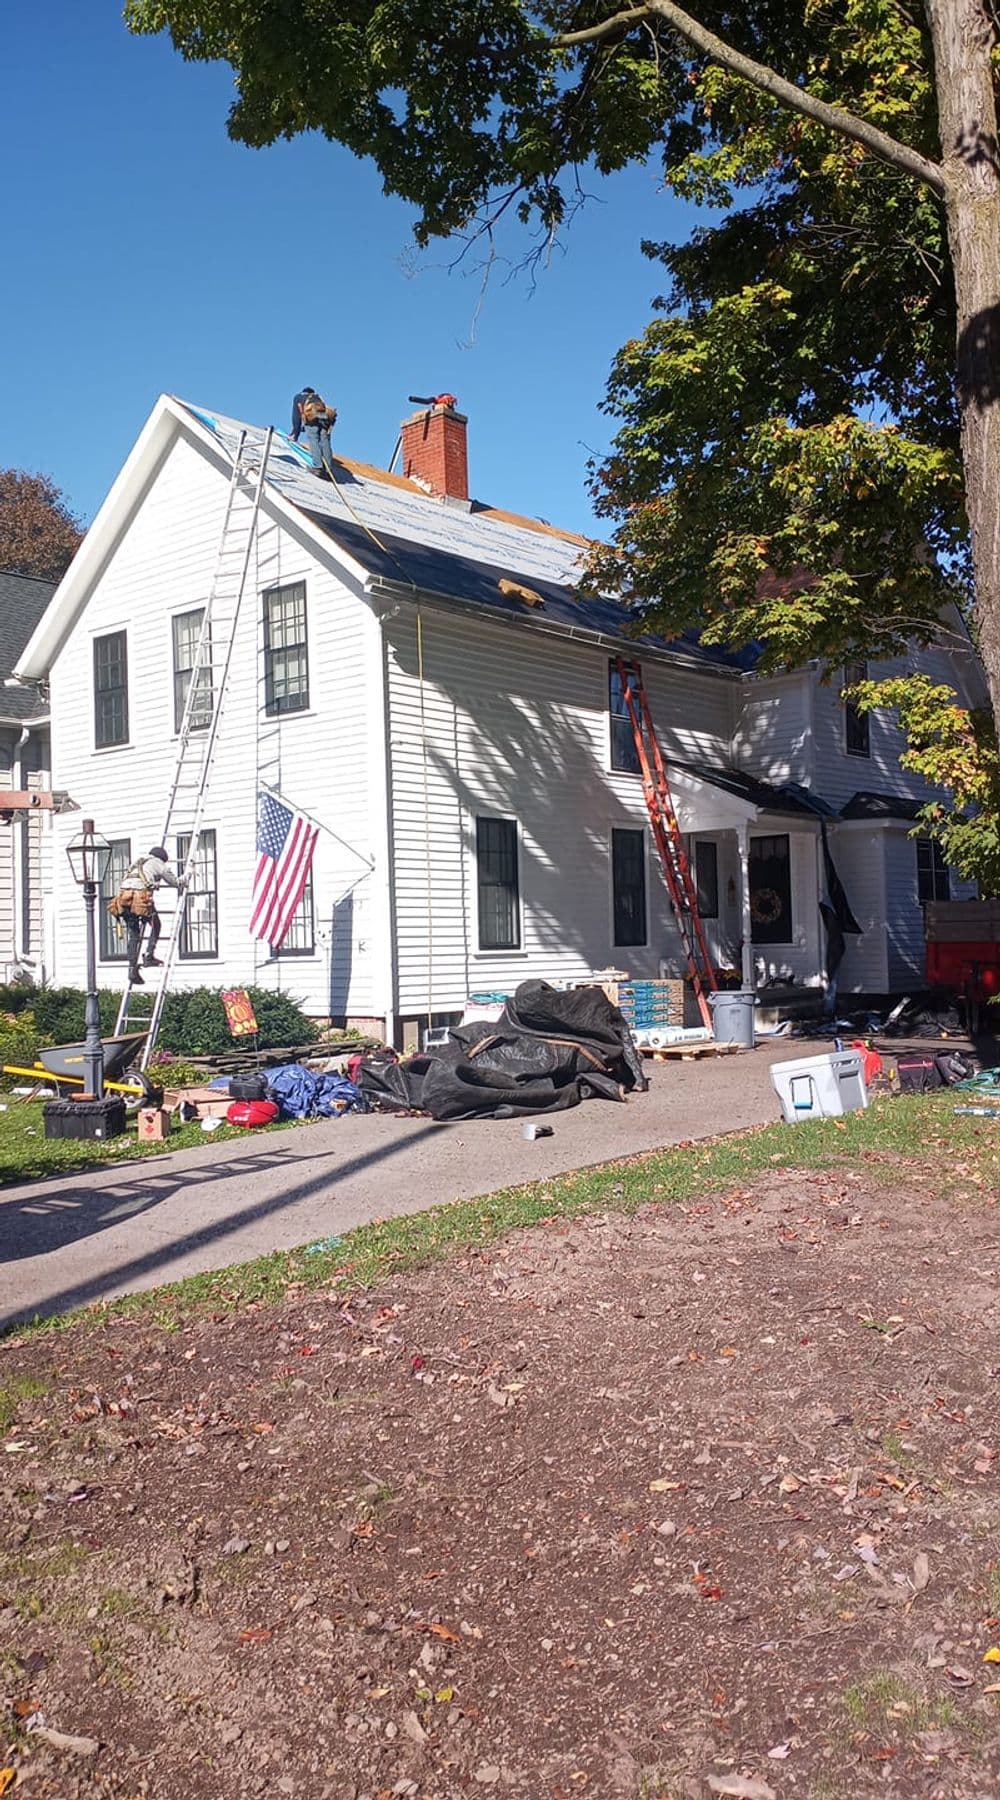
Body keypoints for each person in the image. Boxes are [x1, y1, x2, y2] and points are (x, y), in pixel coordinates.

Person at [111, 847, 183, 985]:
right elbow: (176, 882)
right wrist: (188, 875)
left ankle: (132, 969)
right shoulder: (158, 863)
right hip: (140, 898)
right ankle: (149, 955)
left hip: (123, 898)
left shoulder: (137, 862)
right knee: (156, 924)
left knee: (134, 933)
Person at [291, 386, 337, 475]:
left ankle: (318, 467)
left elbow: (296, 417)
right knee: (325, 441)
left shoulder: (298, 397)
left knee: (313, 439)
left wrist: (295, 435)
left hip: (313, 418)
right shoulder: (318, 398)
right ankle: (329, 469)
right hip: (325, 419)